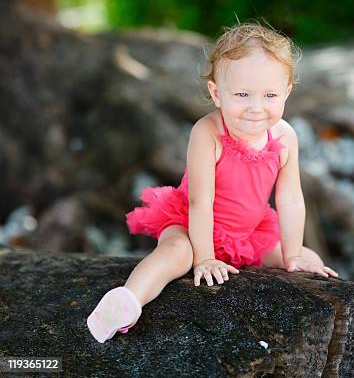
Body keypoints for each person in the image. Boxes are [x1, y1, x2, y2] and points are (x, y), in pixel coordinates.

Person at [86, 21, 338, 343]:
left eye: (270, 95)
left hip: (248, 235)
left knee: (308, 261)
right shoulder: (208, 133)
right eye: (243, 94)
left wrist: (292, 255)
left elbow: (290, 198)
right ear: (216, 93)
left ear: (287, 91)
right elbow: (199, 201)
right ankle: (126, 302)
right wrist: (204, 257)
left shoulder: (285, 136)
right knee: (176, 253)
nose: (256, 107)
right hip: (193, 227)